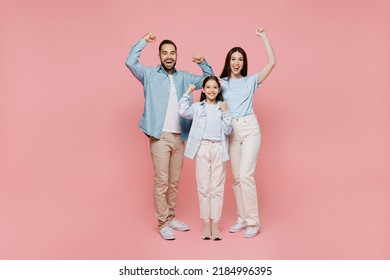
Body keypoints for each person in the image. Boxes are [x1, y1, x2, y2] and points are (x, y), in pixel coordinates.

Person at [125, 32, 214, 240]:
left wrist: (203, 63)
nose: (168, 56)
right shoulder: (148, 74)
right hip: (160, 136)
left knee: (174, 181)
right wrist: (143, 42)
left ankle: (171, 217)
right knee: (162, 180)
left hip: (179, 136)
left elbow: (209, 81)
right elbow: (130, 61)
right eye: (164, 53)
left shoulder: (184, 77)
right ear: (159, 55)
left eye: (172, 53)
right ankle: (163, 222)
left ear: (176, 55)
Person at [220, 28, 276, 238]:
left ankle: (254, 221)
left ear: (244, 62)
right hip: (231, 131)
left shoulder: (251, 80)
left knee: (245, 175)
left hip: (250, 128)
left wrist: (264, 38)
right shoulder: (222, 82)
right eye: (233, 59)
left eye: (240, 59)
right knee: (236, 177)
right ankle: (242, 219)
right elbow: (208, 92)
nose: (236, 62)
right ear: (228, 61)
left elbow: (272, 63)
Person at [179, 76, 233, 240]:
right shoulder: (197, 107)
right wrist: (188, 92)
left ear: (218, 90)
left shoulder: (222, 107)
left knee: (217, 188)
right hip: (202, 148)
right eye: (208, 87)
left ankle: (215, 225)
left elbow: (228, 129)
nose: (211, 90)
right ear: (202, 90)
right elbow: (182, 111)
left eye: (214, 87)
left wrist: (225, 112)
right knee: (204, 188)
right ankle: (206, 225)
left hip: (218, 148)